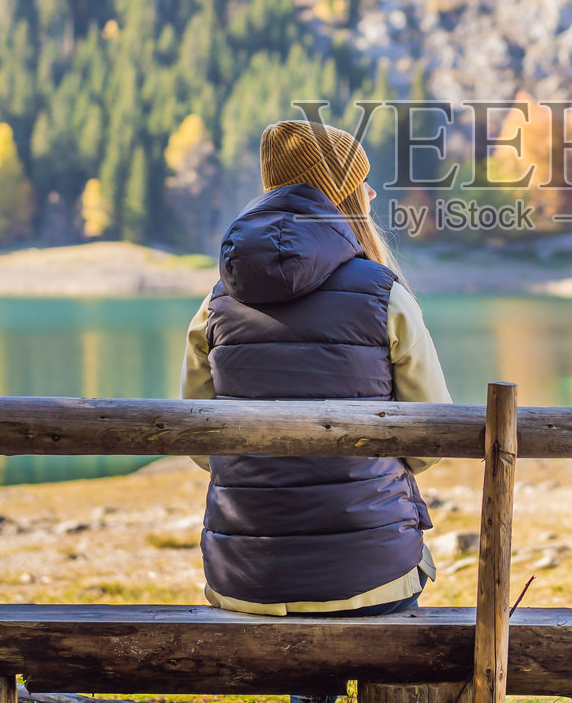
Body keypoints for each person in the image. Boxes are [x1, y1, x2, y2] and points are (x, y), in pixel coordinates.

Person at [180, 119, 452, 700]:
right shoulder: (384, 292)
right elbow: (432, 437)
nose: (373, 194)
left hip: (244, 576)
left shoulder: (216, 301)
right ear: (341, 193)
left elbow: (200, 438)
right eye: (362, 181)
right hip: (368, 576)